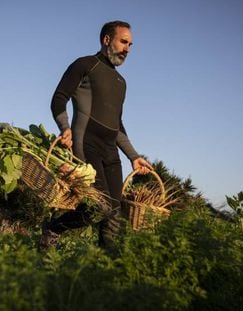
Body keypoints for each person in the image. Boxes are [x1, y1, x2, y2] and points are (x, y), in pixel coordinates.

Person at [40, 20, 153, 250]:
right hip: (86, 143)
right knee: (99, 206)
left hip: (111, 150)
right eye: (124, 42)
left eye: (131, 44)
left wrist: (133, 156)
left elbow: (117, 125)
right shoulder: (85, 64)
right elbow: (59, 98)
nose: (127, 49)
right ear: (107, 40)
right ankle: (54, 229)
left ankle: (105, 267)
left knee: (114, 212)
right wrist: (64, 128)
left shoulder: (122, 83)